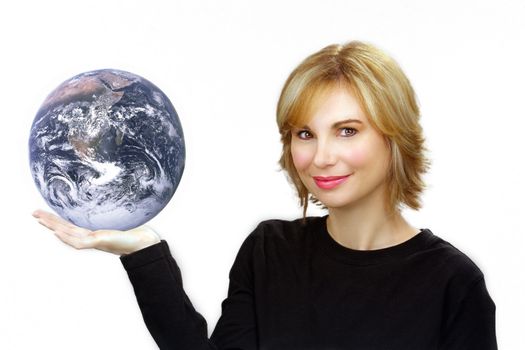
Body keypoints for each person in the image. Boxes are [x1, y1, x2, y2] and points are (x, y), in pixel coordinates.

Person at [33, 41, 498, 350]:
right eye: (304, 133)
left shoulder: (453, 285)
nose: (321, 157)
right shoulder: (270, 250)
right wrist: (144, 252)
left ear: (394, 137)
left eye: (347, 130)